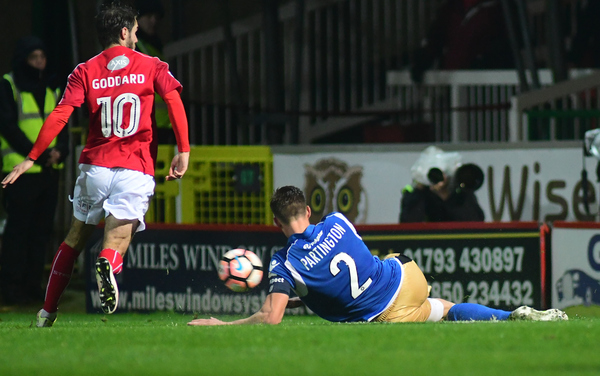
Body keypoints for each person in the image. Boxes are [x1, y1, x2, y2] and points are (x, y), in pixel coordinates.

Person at [1, 3, 190, 327]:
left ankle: (47, 312)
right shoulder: (152, 65)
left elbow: (61, 114)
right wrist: (183, 150)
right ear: (123, 31)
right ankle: (107, 262)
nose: (136, 35)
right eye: (134, 30)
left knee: (74, 239)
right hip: (134, 167)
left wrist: (31, 157)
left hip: (95, 169)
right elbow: (173, 101)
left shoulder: (84, 70)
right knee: (116, 240)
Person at [188, 185, 567, 326]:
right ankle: (511, 315)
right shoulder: (338, 219)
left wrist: (224, 326)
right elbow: (344, 266)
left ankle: (509, 318)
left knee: (436, 316)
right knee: (447, 308)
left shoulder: (284, 262)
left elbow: (272, 318)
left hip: (386, 311)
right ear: (307, 211)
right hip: (405, 275)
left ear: (276, 222)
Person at [0, 36, 69, 305]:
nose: (39, 62)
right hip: (20, 172)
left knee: (41, 233)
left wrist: (61, 151)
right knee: (18, 233)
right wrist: (37, 155)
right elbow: (7, 126)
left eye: (42, 56)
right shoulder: (8, 85)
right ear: (22, 60)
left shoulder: (50, 88)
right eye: (33, 57)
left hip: (48, 172)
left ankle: (32, 287)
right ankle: (11, 288)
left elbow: (61, 123)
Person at [410, 0, 513, 84]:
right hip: (452, 87)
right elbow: (434, 39)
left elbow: (509, 49)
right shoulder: (451, 8)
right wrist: (423, 58)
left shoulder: (502, 10)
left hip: (486, 89)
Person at [400, 146, 485, 222]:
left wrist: (447, 196)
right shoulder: (417, 196)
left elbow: (475, 222)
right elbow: (408, 223)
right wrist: (420, 188)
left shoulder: (462, 195)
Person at [134, 0, 173, 142]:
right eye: (149, 16)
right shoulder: (133, 47)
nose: (154, 21)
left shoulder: (153, 45)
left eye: (156, 17)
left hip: (160, 124)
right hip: (143, 125)